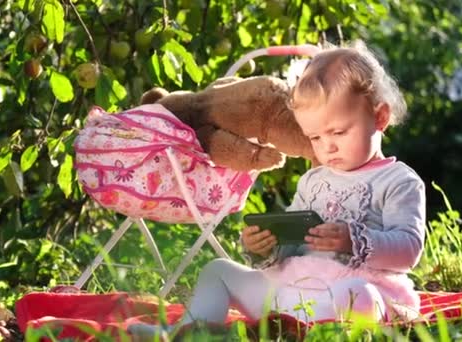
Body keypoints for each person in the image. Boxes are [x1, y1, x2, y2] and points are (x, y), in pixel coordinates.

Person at [128, 40, 426, 337]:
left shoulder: (398, 181)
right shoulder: (314, 179)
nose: (328, 147)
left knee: (360, 294)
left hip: (345, 292)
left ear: (379, 117)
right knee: (218, 270)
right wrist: (268, 246)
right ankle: (187, 332)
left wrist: (353, 240)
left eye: (338, 132)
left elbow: (409, 250)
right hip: (290, 289)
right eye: (315, 138)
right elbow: (295, 239)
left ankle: (269, 332)